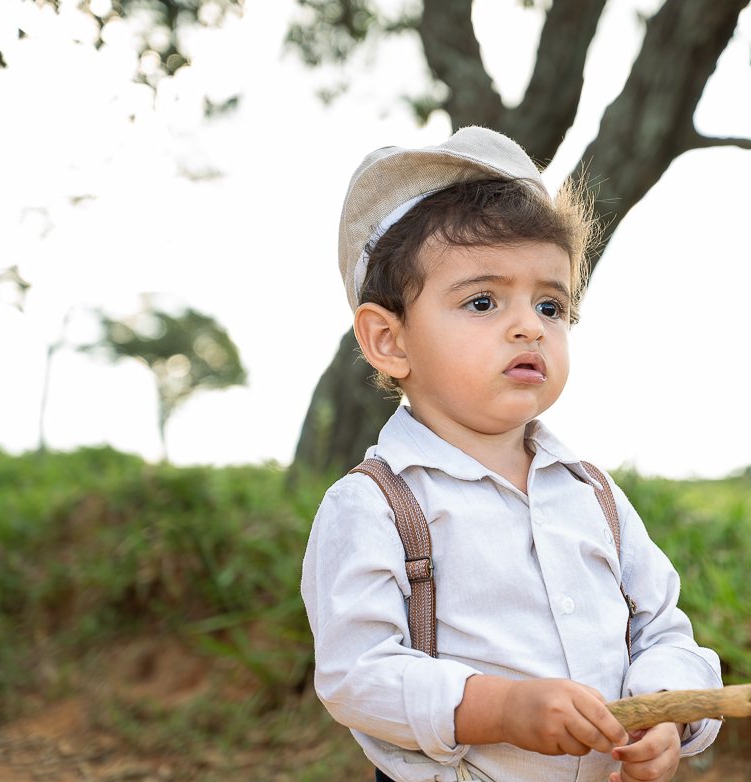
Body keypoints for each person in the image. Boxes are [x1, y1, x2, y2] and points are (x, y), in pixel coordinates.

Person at [301, 126, 722, 782]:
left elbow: (663, 630)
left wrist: (667, 714)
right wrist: (500, 707)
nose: (529, 325)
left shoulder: (593, 497)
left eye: (551, 305)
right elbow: (358, 673)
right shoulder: (375, 506)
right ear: (389, 340)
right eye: (482, 300)